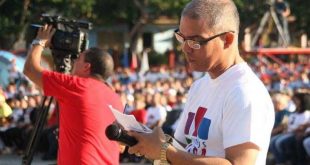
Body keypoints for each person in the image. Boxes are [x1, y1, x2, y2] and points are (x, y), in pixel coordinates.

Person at [127, 0, 275, 165]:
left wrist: (164, 151)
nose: (185, 48)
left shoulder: (245, 92)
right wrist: (141, 138)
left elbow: (239, 163)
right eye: (182, 38)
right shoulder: (200, 86)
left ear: (227, 39)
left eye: (196, 41)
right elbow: (184, 149)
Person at [23, 25, 124, 164]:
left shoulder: (77, 85)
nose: (74, 62)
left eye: (78, 59)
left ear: (86, 67)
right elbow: (120, 147)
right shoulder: (115, 97)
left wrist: (40, 41)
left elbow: (30, 69)